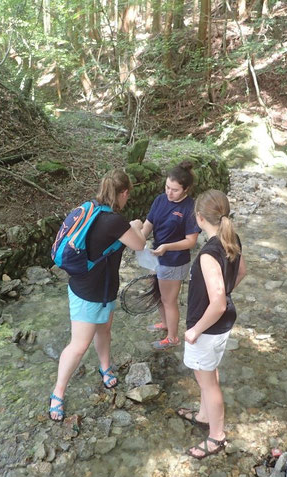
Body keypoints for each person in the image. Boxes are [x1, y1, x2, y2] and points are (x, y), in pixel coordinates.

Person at [50, 169, 145, 422]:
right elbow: (140, 244)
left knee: (104, 330)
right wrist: (136, 227)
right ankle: (58, 393)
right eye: (127, 195)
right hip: (89, 292)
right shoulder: (115, 221)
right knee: (78, 346)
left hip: (99, 288)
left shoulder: (90, 208)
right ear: (124, 193)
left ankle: (105, 367)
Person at [177, 189, 246, 459]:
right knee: (209, 373)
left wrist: (195, 329)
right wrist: (226, 292)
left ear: (199, 218)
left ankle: (216, 436)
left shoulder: (208, 253)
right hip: (222, 323)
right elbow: (241, 272)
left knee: (207, 382)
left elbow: (216, 303)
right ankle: (204, 415)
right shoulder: (232, 238)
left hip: (207, 326)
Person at [141, 161, 200, 350]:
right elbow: (148, 224)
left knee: (169, 300)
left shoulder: (190, 208)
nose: (169, 192)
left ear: (186, 189)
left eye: (174, 190)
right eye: (167, 187)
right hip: (157, 256)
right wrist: (137, 239)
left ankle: (172, 338)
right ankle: (165, 324)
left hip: (174, 260)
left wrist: (167, 247)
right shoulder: (160, 199)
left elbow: (191, 241)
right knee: (159, 294)